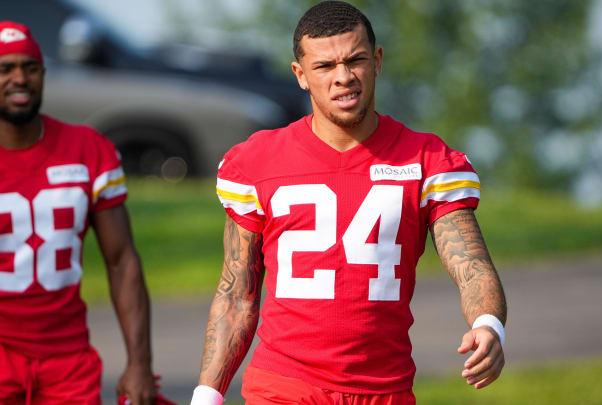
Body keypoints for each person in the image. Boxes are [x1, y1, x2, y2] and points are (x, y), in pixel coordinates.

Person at [192, 2, 507, 404]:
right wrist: (207, 394)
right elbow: (238, 293)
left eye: (355, 60)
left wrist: (488, 324)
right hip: (284, 388)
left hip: (385, 389)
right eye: (325, 67)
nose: (343, 77)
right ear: (300, 75)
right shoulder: (256, 162)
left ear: (377, 61)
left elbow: (472, 265)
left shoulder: (425, 161)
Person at [0, 21, 158, 404]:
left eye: (30, 67)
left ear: (43, 75)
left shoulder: (87, 148)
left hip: (67, 358)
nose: (20, 78)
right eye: (6, 68)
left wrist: (140, 363)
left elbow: (121, 260)